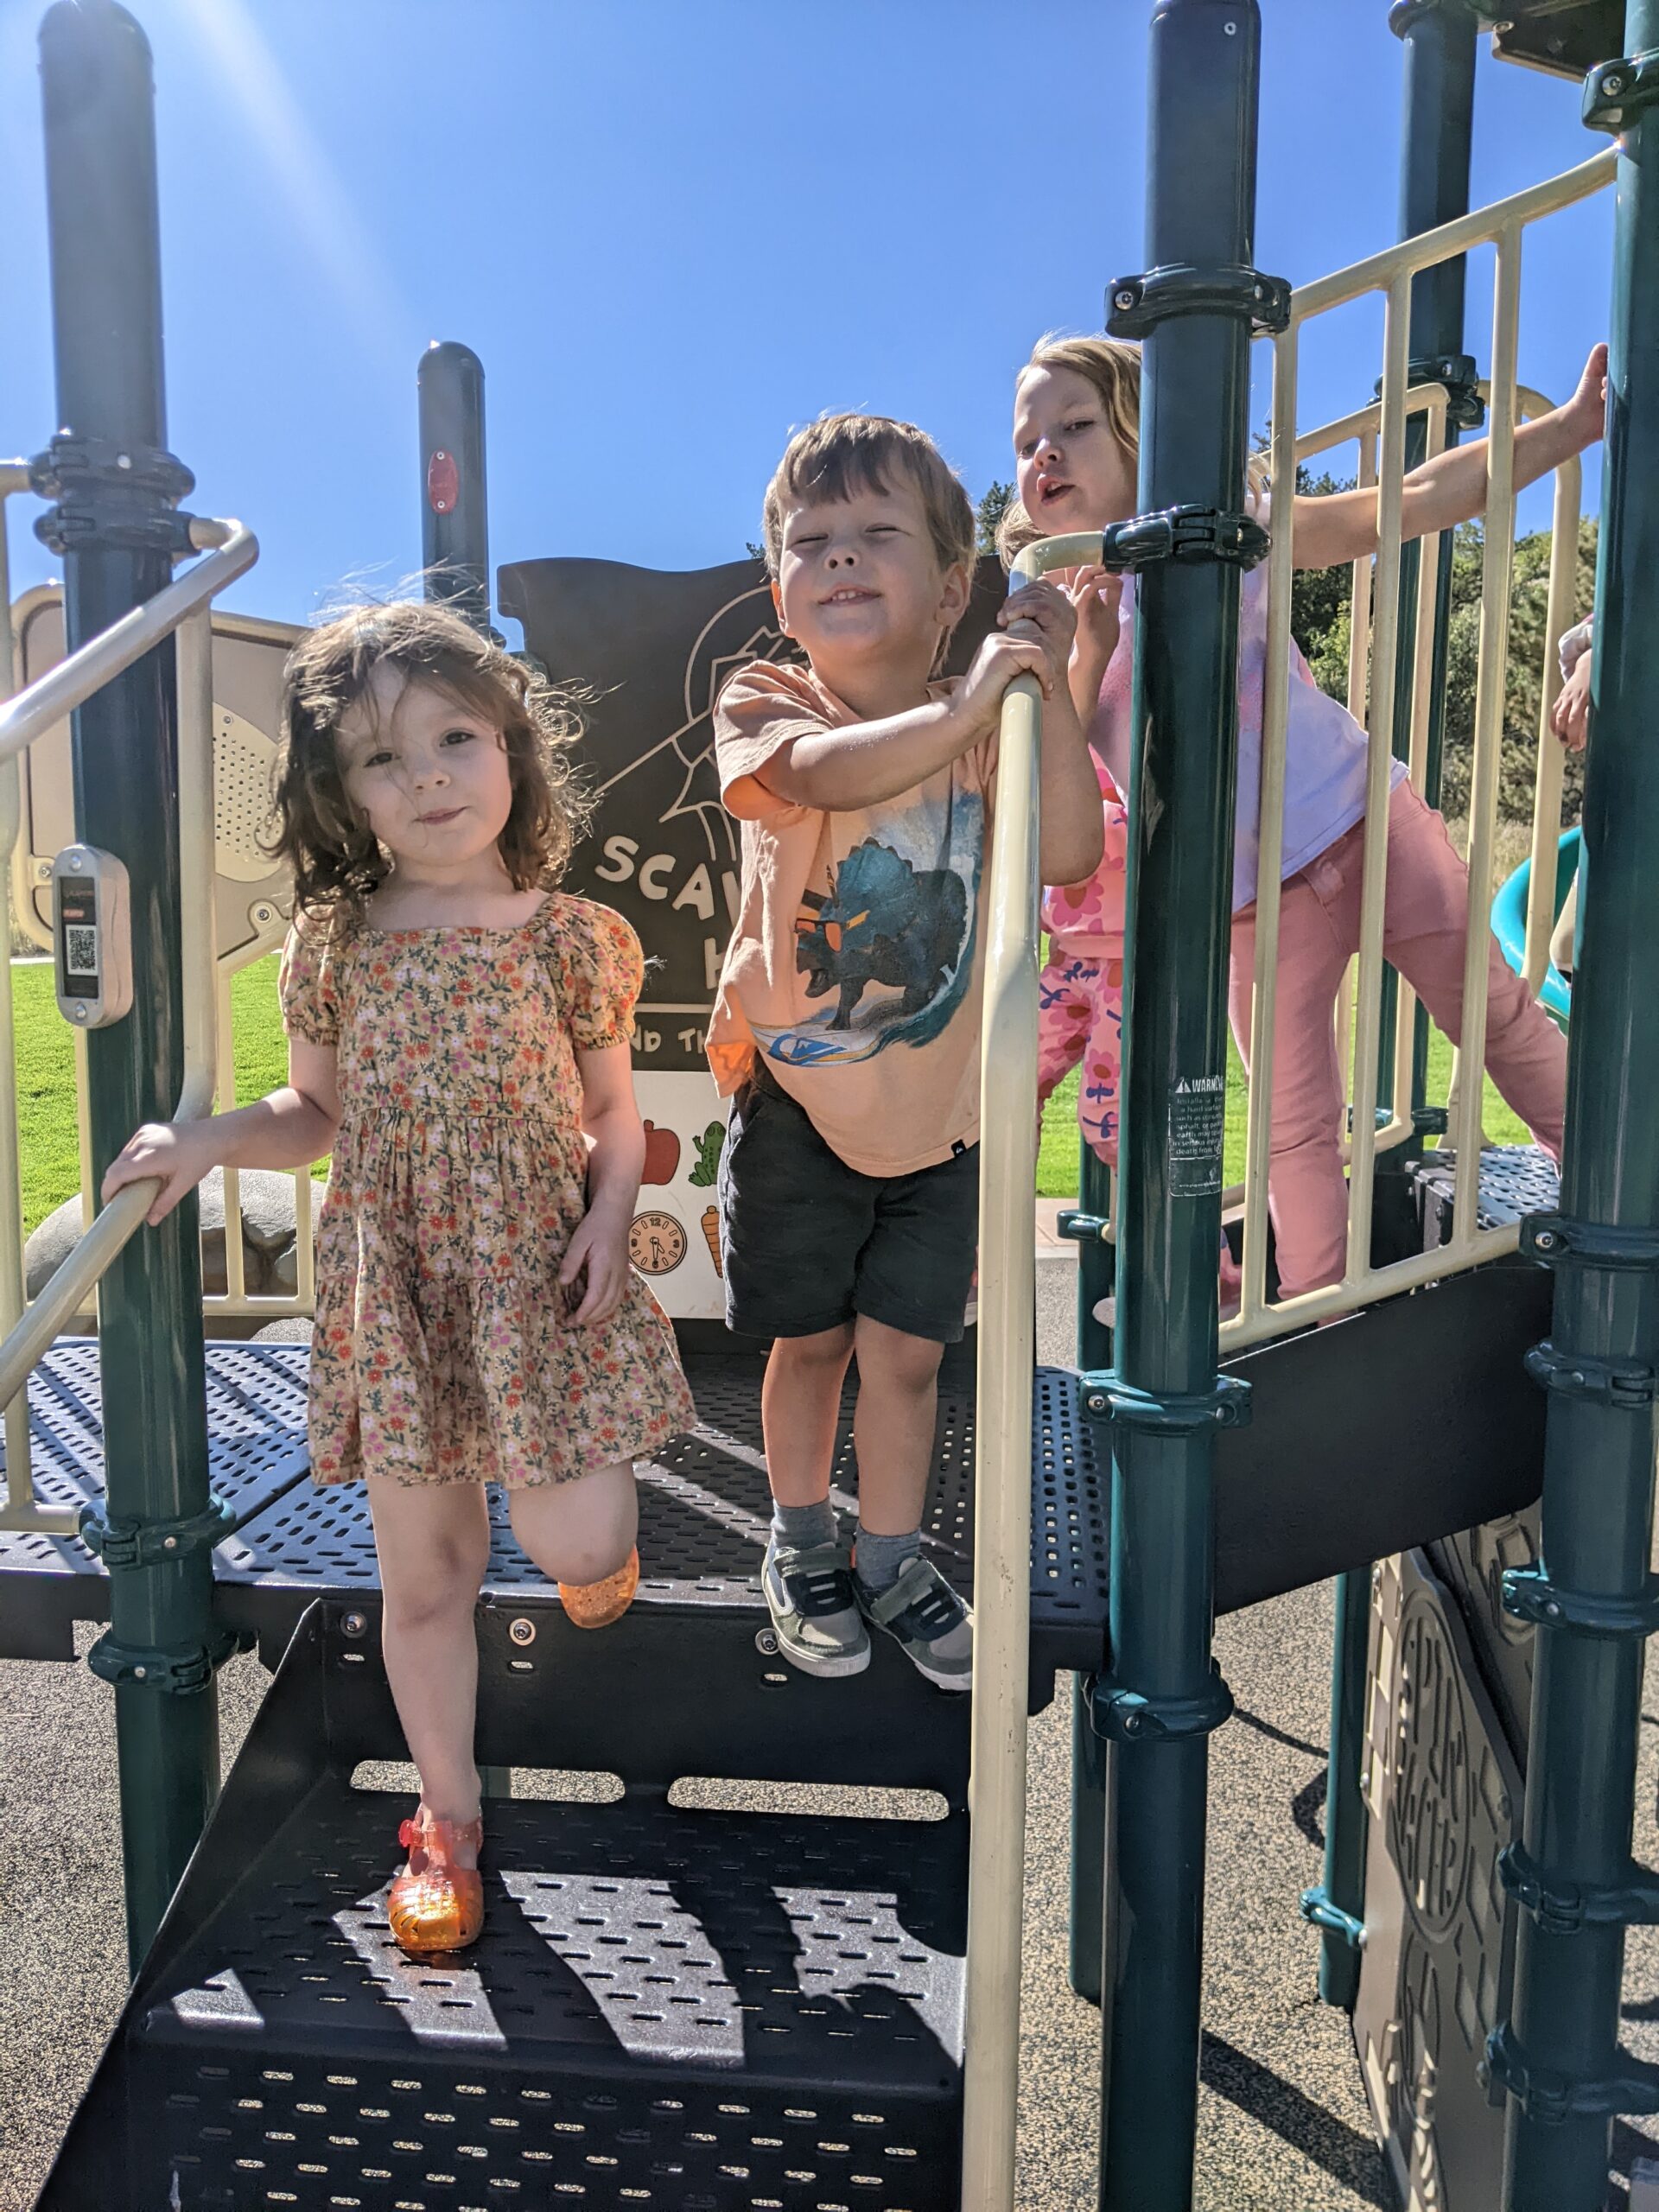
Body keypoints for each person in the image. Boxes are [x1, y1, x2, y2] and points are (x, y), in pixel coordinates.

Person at [104, 600, 695, 1957]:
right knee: (426, 1578)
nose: (427, 776)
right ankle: (449, 1823)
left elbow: (615, 1113)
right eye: (381, 758)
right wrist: (209, 1142)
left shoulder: (568, 936)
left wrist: (613, 1212)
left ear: (512, 753)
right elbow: (312, 1112)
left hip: (537, 1274)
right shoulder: (337, 938)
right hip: (400, 1286)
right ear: (341, 793)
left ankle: (592, 1558)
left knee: (581, 1547)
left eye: (454, 738)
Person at [1003, 334, 1606, 1300]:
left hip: (1369, 827)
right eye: (1027, 437)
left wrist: (1568, 430)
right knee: (1292, 1126)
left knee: (1497, 1019)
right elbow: (1064, 788)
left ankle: (1613, 1202)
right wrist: (1089, 644)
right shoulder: (1050, 601)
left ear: (1143, 434)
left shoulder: (1232, 530)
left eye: (1075, 425)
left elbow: (1399, 507)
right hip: (1248, 907)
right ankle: (1328, 1319)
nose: (1045, 453)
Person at [706, 413, 1103, 1688]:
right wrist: (982, 697)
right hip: (801, 1098)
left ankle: (886, 1554)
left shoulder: (989, 729)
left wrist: (1051, 684)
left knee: (909, 1354)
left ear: (950, 590)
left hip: (943, 1112)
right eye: (812, 543)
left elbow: (1066, 854)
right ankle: (800, 1534)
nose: (840, 559)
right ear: (782, 592)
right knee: (809, 1344)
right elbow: (815, 779)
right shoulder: (768, 697)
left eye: (878, 535)